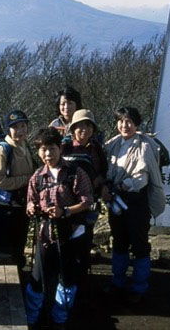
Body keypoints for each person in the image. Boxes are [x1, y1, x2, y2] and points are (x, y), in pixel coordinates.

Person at [25, 128, 92, 330]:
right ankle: (31, 317)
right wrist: (31, 208)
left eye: (52, 148)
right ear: (38, 152)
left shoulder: (75, 172)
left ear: (59, 148)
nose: (48, 154)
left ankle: (59, 318)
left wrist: (65, 211)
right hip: (45, 234)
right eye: (43, 150)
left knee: (67, 279)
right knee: (37, 279)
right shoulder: (37, 177)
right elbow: (30, 201)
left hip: (71, 234)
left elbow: (87, 201)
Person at [102, 106, 158, 303]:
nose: (124, 125)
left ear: (136, 124)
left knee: (139, 243)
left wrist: (123, 185)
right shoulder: (112, 145)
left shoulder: (144, 145)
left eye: (129, 122)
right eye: (121, 121)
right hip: (116, 201)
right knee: (119, 242)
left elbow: (143, 177)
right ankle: (118, 282)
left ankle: (138, 287)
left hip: (136, 202)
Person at [60, 109, 107, 280]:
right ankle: (66, 282)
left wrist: (100, 184)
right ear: (72, 129)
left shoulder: (97, 149)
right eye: (79, 126)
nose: (84, 130)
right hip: (69, 205)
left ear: (93, 129)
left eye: (88, 126)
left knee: (85, 241)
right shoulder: (64, 148)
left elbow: (103, 172)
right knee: (67, 244)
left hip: (89, 204)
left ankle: (81, 283)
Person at [0, 109, 36, 267]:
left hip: (21, 204)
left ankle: (19, 274)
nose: (20, 131)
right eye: (15, 127)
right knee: (6, 249)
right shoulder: (3, 150)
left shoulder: (25, 145)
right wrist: (25, 180)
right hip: (6, 208)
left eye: (23, 126)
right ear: (8, 130)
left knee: (19, 244)